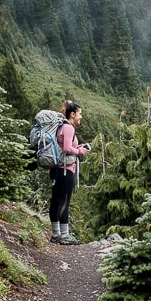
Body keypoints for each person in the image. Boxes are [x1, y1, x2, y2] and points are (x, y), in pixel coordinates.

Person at [49, 101, 90, 244]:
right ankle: (64, 235)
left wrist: (77, 147)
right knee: (64, 202)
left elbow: (64, 146)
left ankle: (56, 234)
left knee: (56, 201)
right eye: (80, 114)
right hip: (65, 170)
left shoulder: (61, 126)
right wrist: (80, 151)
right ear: (72, 114)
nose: (81, 117)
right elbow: (67, 148)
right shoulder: (68, 128)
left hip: (56, 169)